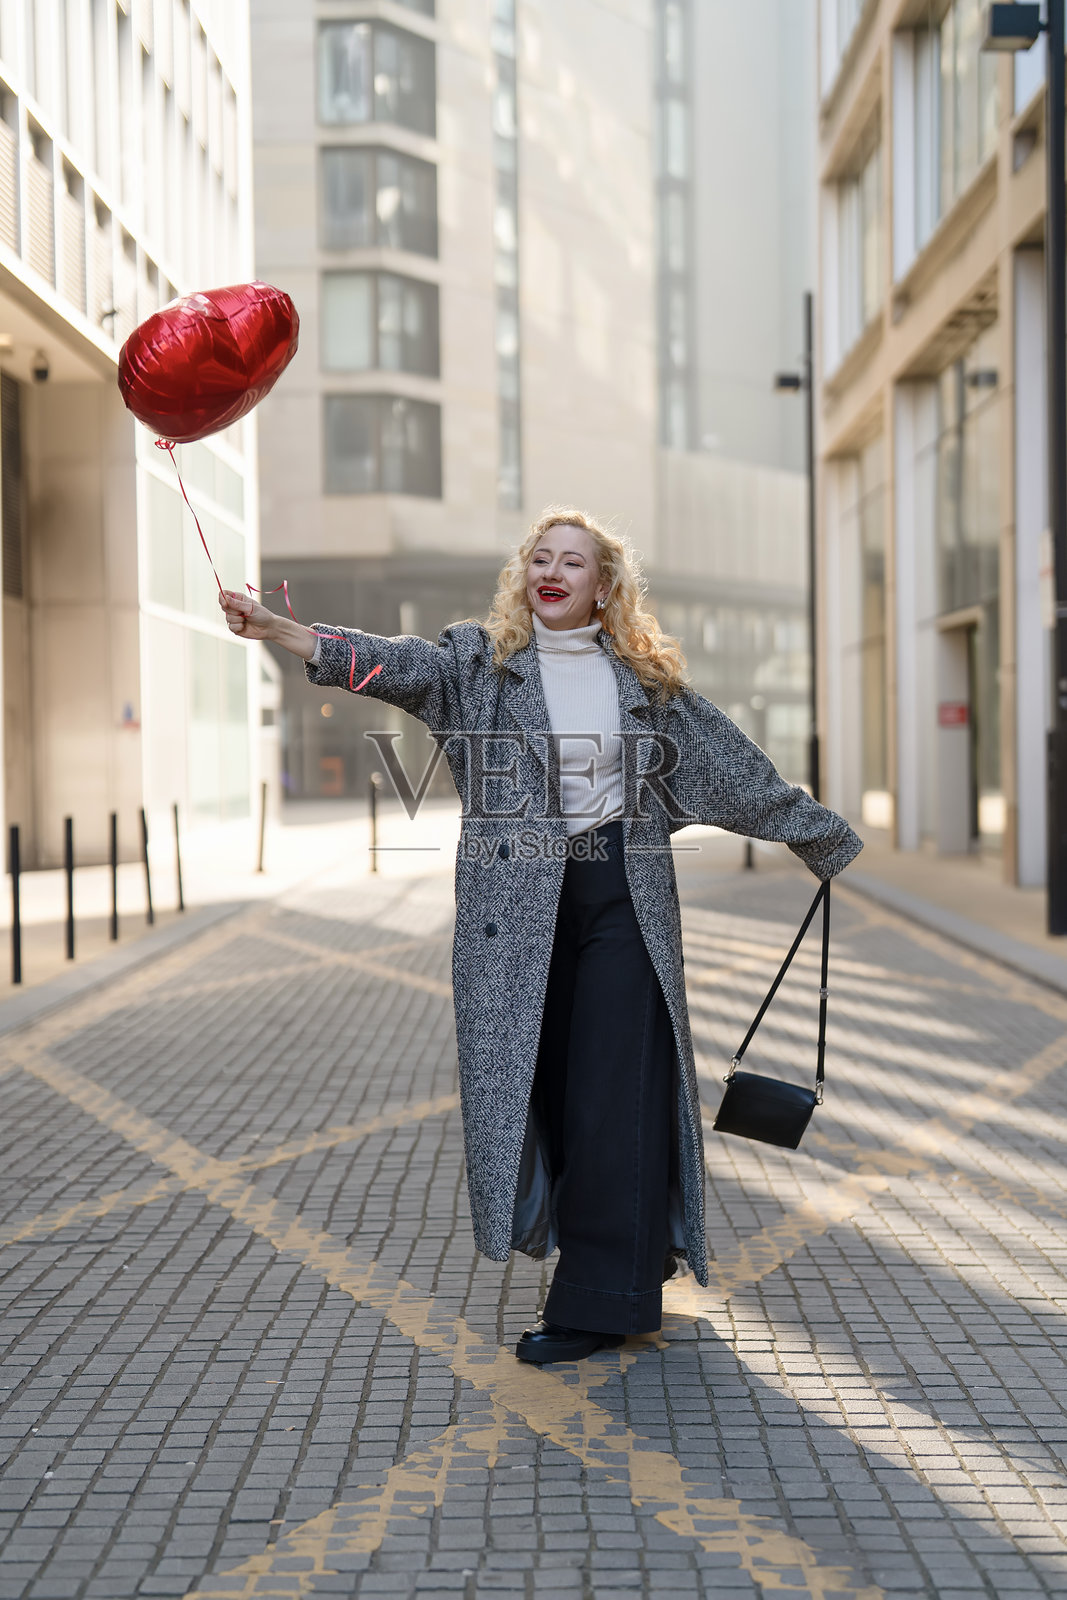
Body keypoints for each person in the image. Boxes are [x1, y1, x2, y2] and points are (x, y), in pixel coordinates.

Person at [220, 507, 863, 1364]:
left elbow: (736, 771)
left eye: (573, 563)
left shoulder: (645, 685)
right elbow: (389, 663)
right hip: (515, 910)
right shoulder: (477, 665)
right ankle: (621, 1259)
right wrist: (282, 632)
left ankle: (600, 1301)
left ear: (604, 586)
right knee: (547, 1092)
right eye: (540, 559)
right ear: (523, 574)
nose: (552, 573)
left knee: (613, 1094)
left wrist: (820, 835)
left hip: (622, 900)